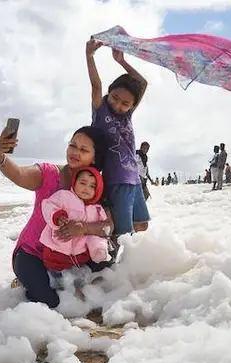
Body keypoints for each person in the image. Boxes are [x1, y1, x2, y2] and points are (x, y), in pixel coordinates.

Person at [0, 124, 112, 308]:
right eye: (72, 145)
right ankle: (26, 281)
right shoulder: (50, 174)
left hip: (68, 258)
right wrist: (0, 156)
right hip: (32, 253)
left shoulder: (96, 187)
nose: (75, 152)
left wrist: (83, 228)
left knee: (99, 278)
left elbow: (108, 227)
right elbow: (18, 174)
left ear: (95, 157)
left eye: (84, 149)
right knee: (50, 302)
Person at [86, 39, 150, 254]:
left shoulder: (128, 115)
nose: (118, 105)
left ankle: (123, 262)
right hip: (116, 180)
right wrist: (90, 56)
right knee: (123, 236)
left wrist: (121, 61)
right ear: (110, 92)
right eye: (115, 98)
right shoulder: (101, 110)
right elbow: (96, 85)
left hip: (134, 180)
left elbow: (142, 84)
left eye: (125, 103)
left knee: (141, 225)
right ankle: (110, 267)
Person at [40, 167, 110, 299]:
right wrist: (58, 216)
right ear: (74, 182)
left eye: (92, 186)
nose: (86, 188)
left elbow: (100, 233)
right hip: (56, 254)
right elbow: (48, 205)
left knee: (82, 273)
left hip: (78, 257)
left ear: (98, 190)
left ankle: (83, 287)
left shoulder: (97, 210)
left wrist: (98, 248)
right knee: (59, 281)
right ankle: (66, 291)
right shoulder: (64, 196)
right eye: (82, 183)